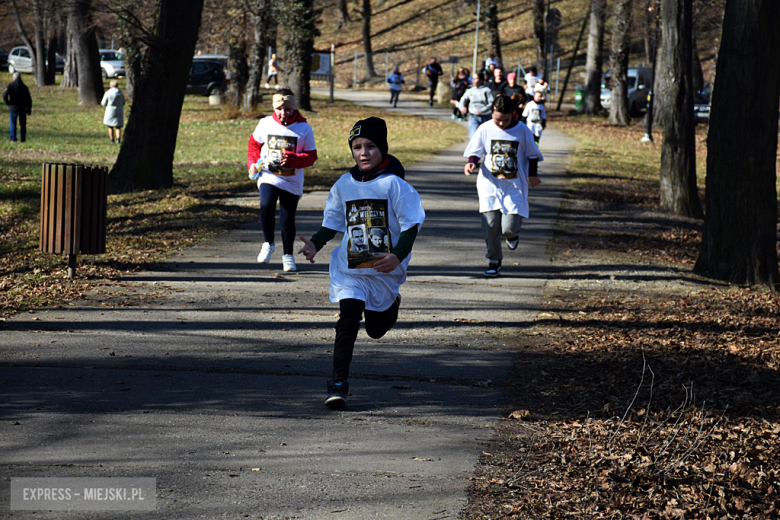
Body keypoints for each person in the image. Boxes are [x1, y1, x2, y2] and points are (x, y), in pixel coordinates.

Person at [297, 117, 425, 409]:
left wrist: (397, 255)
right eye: (357, 147)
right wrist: (315, 243)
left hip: (384, 270)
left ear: (383, 148)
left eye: (370, 146)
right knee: (348, 321)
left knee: (377, 329)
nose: (363, 153)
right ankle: (338, 384)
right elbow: (332, 222)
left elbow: (411, 225)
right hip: (350, 270)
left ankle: (391, 305)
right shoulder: (344, 183)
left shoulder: (394, 185)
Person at [462, 94, 543, 277]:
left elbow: (532, 154)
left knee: (508, 227)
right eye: (497, 119)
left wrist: (532, 175)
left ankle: (512, 235)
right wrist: (472, 162)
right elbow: (476, 150)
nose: (500, 124)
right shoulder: (485, 128)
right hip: (489, 184)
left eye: (505, 120)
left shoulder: (522, 130)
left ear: (513, 114)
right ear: (491, 112)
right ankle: (494, 260)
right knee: (490, 225)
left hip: (513, 185)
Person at [247, 87, 318, 272]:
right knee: (266, 206)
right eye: (279, 108)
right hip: (268, 176)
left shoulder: (304, 128)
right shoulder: (265, 123)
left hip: (291, 180)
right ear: (274, 108)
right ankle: (268, 243)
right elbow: (253, 145)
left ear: (294, 108)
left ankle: (288, 255)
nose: (283, 113)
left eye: (287, 109)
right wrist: (253, 163)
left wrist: (294, 160)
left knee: (287, 218)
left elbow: (311, 156)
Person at [457, 72, 495, 139]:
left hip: (486, 117)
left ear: (481, 80)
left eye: (476, 78)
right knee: (473, 138)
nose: (473, 80)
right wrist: (462, 107)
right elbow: (462, 100)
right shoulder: (470, 91)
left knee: (486, 138)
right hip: (474, 117)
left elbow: (491, 103)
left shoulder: (487, 90)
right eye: (473, 78)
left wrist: (482, 110)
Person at [3, 72, 32, 143]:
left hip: (13, 108)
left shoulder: (10, 86)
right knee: (23, 125)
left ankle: (13, 139)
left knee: (13, 124)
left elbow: (4, 96)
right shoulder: (24, 87)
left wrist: (8, 103)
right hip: (22, 109)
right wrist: (28, 110)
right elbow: (29, 99)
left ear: (14, 78)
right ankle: (23, 139)